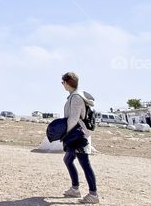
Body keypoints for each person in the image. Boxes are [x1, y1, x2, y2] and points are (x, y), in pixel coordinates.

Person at [60, 71, 99, 203]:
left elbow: (74, 118)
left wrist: (63, 132)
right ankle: (75, 189)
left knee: (85, 164)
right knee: (68, 160)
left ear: (66, 82)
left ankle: (93, 195)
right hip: (75, 134)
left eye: (62, 82)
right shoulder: (74, 96)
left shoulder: (76, 97)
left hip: (77, 135)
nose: (62, 85)